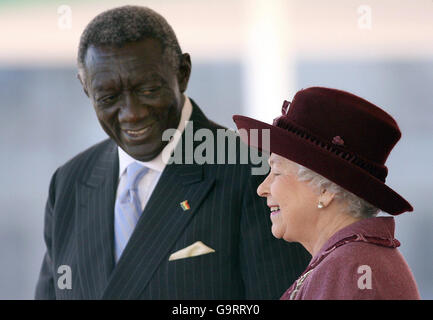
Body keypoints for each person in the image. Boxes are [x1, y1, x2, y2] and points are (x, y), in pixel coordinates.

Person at [35, 5, 310, 299]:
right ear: (85, 87)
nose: (131, 114)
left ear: (182, 73)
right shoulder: (69, 183)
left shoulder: (252, 169)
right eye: (109, 97)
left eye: (148, 90)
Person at [233, 86, 421, 299]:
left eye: (276, 171)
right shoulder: (350, 261)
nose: (262, 189)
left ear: (325, 190)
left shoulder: (348, 268)